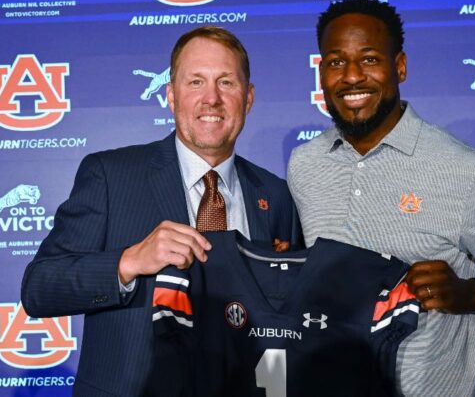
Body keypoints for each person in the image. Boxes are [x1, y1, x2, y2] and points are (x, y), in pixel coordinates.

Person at [21, 26, 302, 397]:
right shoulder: (110, 176)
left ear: (248, 98)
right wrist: (128, 262)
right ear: (171, 95)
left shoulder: (275, 194)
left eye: (226, 83)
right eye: (196, 82)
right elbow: (39, 288)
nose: (212, 99)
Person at [287, 0, 475, 396]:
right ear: (321, 73)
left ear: (400, 66)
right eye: (336, 62)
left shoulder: (464, 168)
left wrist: (473, 293)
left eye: (369, 59)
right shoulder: (304, 164)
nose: (351, 77)